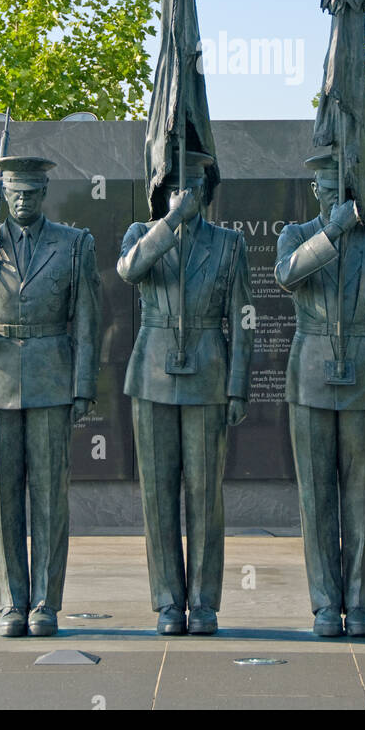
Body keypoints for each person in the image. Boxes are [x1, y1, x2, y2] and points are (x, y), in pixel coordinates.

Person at [0, 155, 101, 637]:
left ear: (43, 194)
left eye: (31, 193)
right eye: (15, 193)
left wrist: (83, 387)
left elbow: (87, 320)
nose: (23, 200)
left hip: (52, 376)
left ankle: (45, 603)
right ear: (5, 194)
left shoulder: (75, 245)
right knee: (3, 496)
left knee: (51, 496)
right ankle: (11, 602)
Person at [117, 150, 252, 636]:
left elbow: (243, 318)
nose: (188, 192)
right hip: (153, 372)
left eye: (196, 185)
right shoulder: (142, 233)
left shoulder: (229, 244)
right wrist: (170, 220)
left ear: (208, 192)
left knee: (204, 494)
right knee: (157, 495)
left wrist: (238, 385)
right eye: (178, 185)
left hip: (208, 373)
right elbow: (129, 271)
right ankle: (169, 602)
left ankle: (204, 600)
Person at [274, 151, 365, 639]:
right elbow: (287, 276)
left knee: (362, 500)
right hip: (310, 378)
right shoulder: (296, 236)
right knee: (316, 499)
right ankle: (326, 605)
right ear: (315, 191)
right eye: (327, 192)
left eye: (343, 193)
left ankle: (361, 603)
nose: (336, 201)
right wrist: (330, 231)